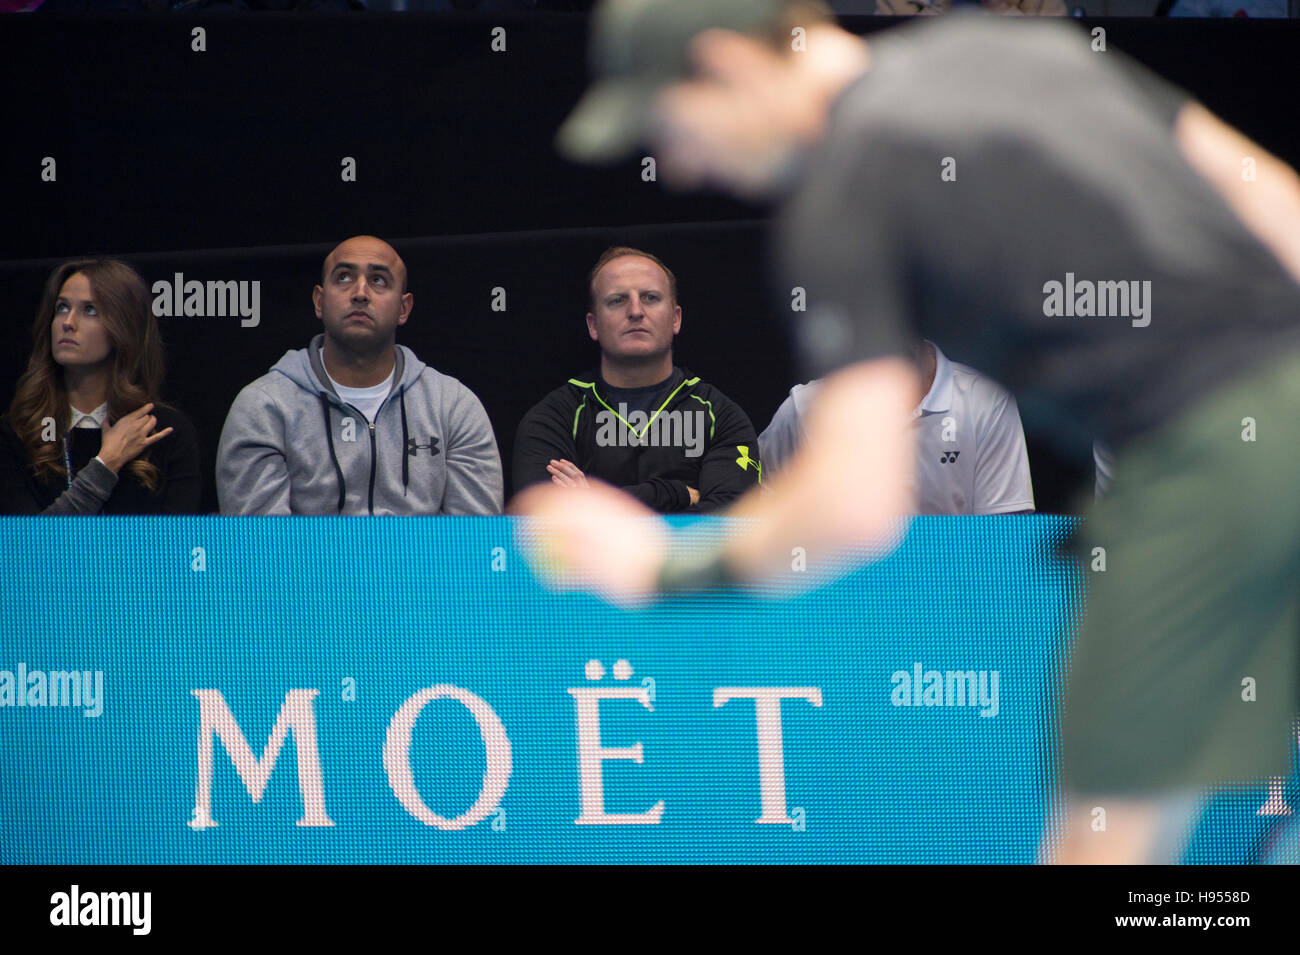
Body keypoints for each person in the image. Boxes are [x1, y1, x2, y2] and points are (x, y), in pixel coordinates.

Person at [526, 0, 1300, 864]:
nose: (675, 168)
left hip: (1206, 461)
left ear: (728, 66)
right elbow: (1272, 200)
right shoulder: (1006, 49)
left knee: (1101, 849)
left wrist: (660, 565)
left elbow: (856, 505)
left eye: (668, 126)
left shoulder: (845, 185)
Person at [216, 235, 503, 515]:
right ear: (319, 301)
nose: (360, 292)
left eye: (378, 280)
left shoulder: (452, 406)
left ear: (404, 308)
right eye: (343, 277)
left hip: (423, 565)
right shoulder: (264, 406)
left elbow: (472, 545)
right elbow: (262, 549)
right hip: (307, 566)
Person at [512, 246, 760, 513]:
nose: (635, 311)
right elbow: (545, 524)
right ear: (593, 325)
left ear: (676, 319)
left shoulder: (721, 417)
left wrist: (593, 503)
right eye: (617, 300)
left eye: (650, 297)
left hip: (689, 557)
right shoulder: (553, 418)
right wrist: (674, 493)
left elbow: (732, 526)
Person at [0, 259, 201, 515]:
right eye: (61, 308)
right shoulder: (18, 432)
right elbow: (29, 549)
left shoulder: (165, 432)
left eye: (90, 310)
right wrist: (106, 464)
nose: (68, 322)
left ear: (124, 327)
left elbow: (177, 547)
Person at [759, 340, 1034, 514]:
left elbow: (1004, 544)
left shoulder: (987, 401)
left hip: (950, 596)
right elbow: (757, 522)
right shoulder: (801, 410)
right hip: (838, 599)